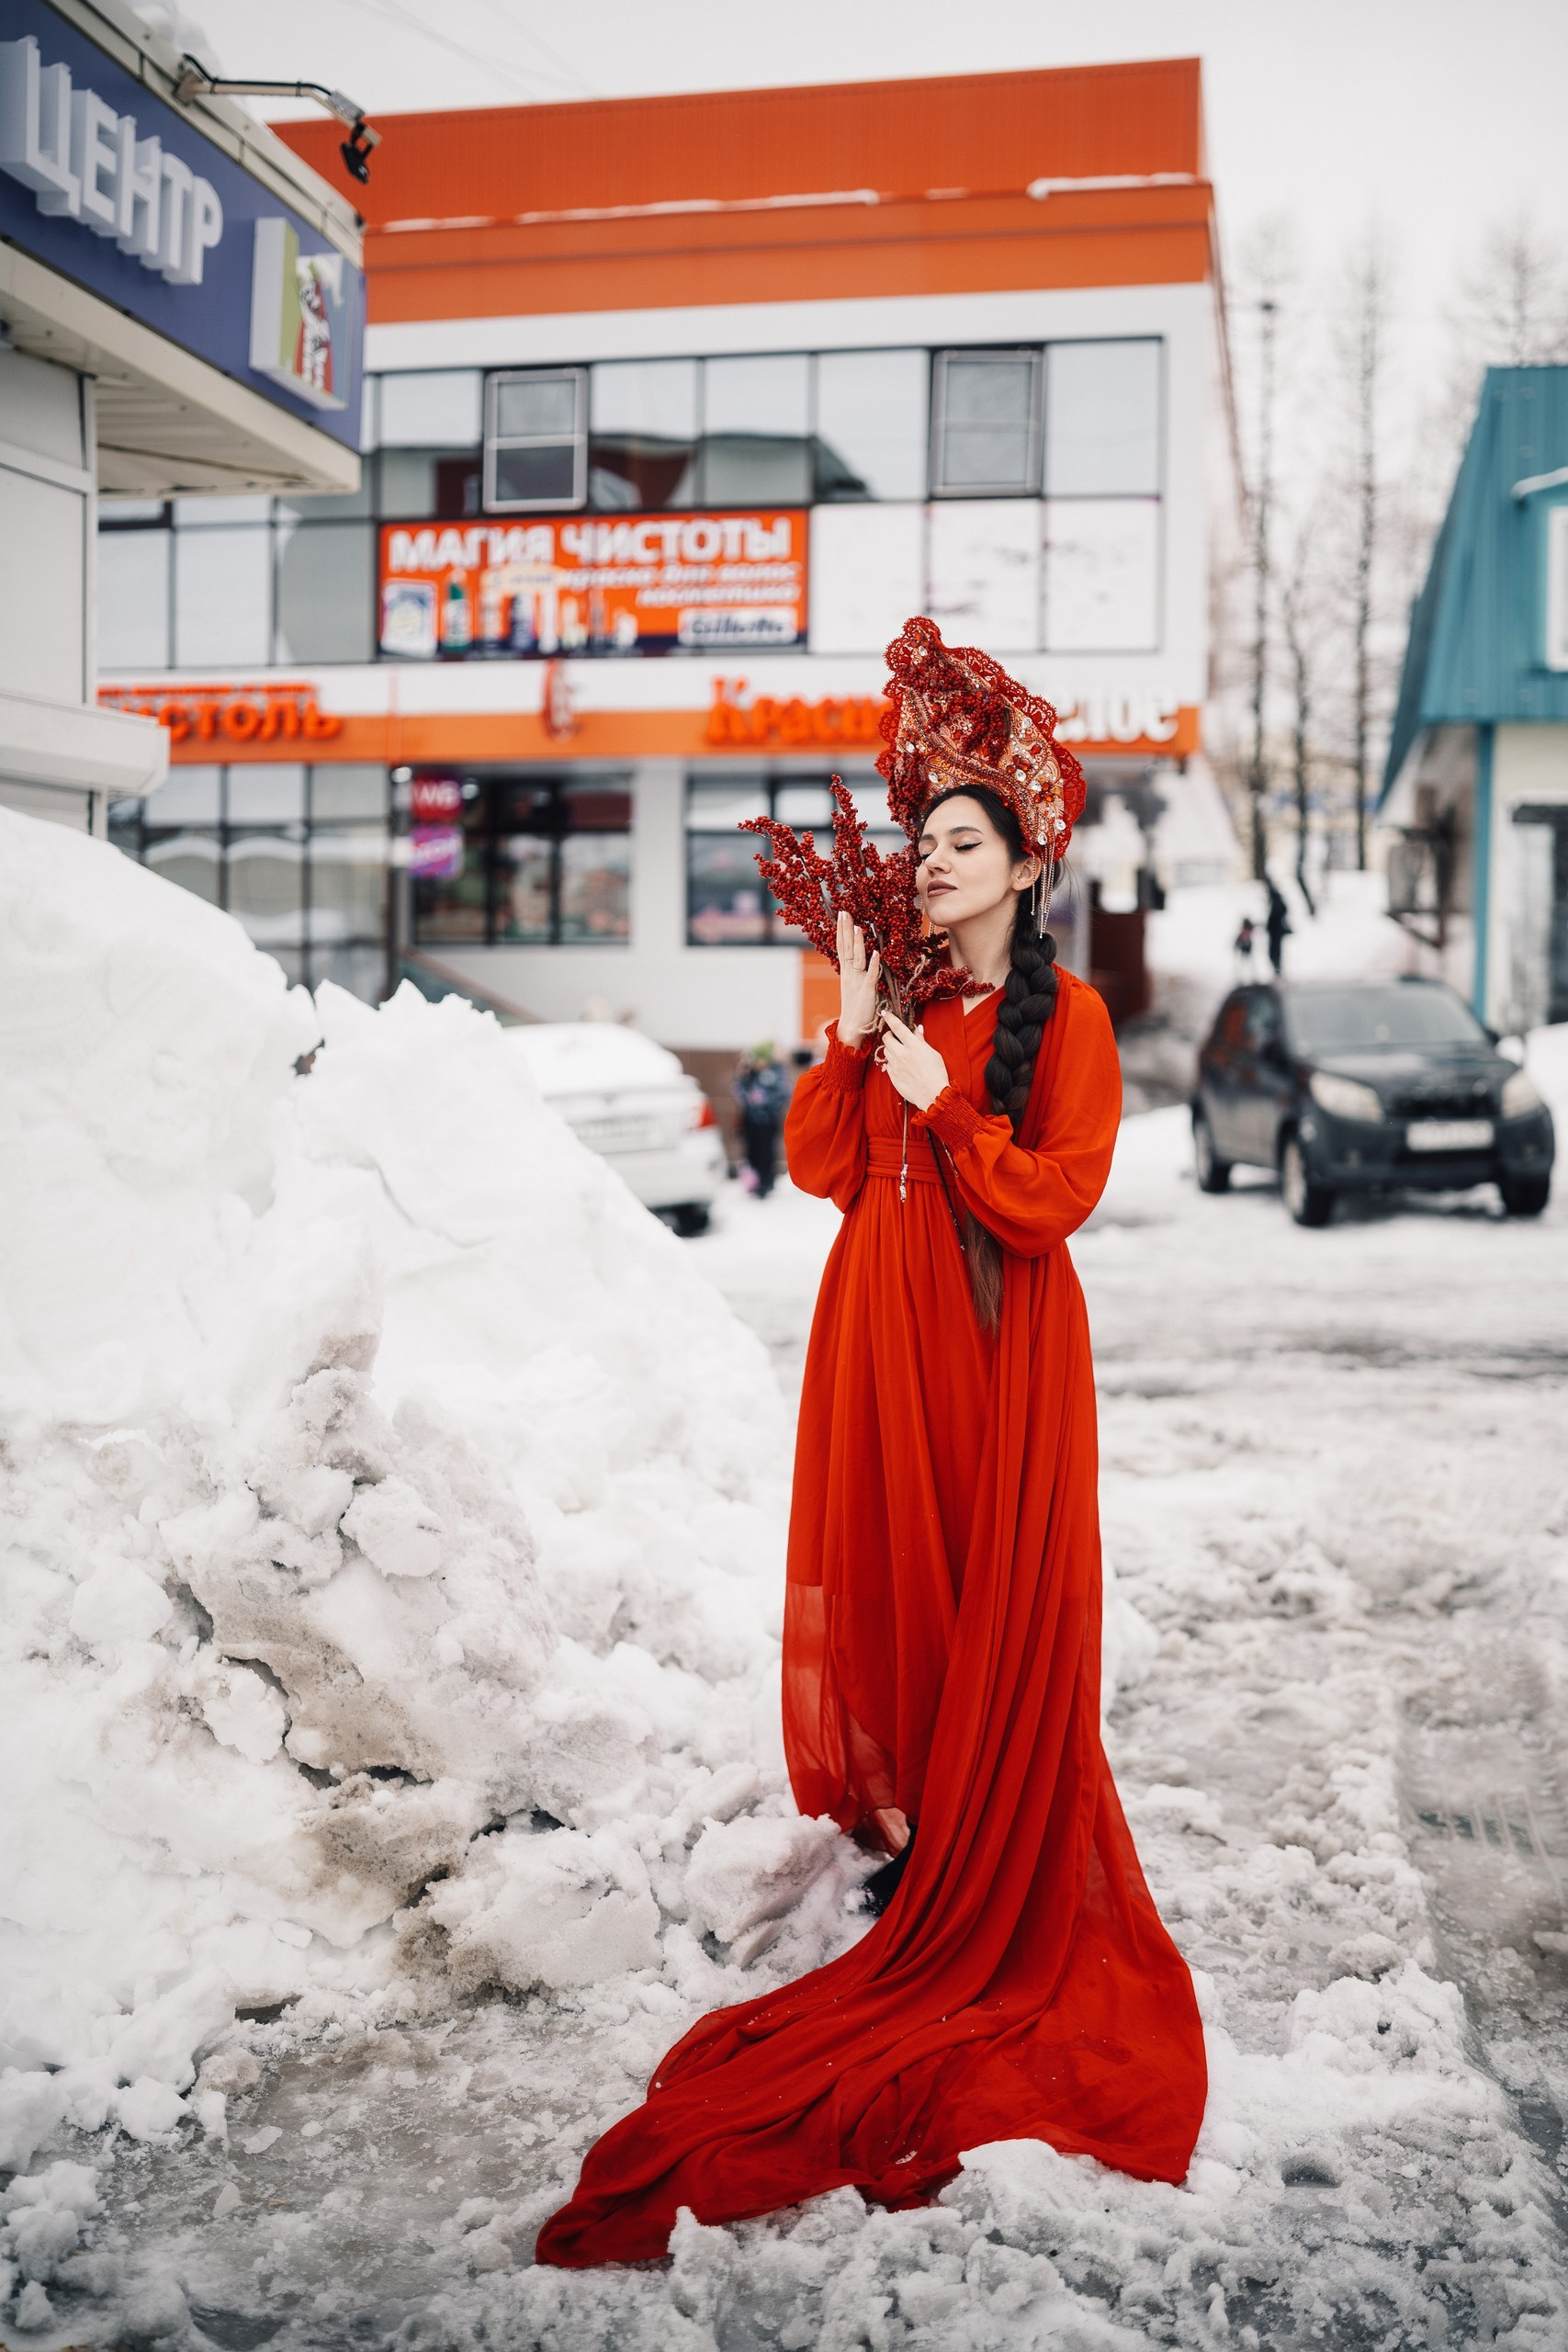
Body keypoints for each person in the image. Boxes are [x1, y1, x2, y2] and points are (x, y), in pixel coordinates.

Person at [536, 617, 1206, 2268]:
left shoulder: (1072, 1029)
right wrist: (856, 1032)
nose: (926, 862)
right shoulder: (894, 993)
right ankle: (907, 1826)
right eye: (919, 841)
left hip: (996, 1341)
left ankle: (983, 1842)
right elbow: (827, 1166)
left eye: (956, 843)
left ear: (1022, 863)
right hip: (876, 1316)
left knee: (982, 1575)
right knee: (889, 1575)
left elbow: (1053, 1200)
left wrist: (947, 1094)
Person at [732, 1042, 788, 1199]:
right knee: (752, 1151)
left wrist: (765, 1101)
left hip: (768, 1121)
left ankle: (766, 1181)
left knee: (766, 1152)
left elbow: (782, 1094)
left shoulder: (775, 1073)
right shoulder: (749, 1074)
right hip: (751, 1120)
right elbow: (739, 1091)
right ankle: (753, 1181)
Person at [1265, 880, 1292, 977]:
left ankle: (1278, 971)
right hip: (1275, 931)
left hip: (1276, 931)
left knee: (1275, 952)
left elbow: (1281, 912)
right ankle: (1277, 970)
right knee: (1274, 951)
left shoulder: (1276, 901)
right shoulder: (1275, 900)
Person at [1234, 912, 1257, 976]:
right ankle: (1242, 976)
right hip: (1245, 946)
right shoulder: (1245, 931)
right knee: (1244, 962)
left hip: (1247, 946)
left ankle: (1251, 975)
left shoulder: (1247, 930)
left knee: (1249, 962)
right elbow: (1239, 939)